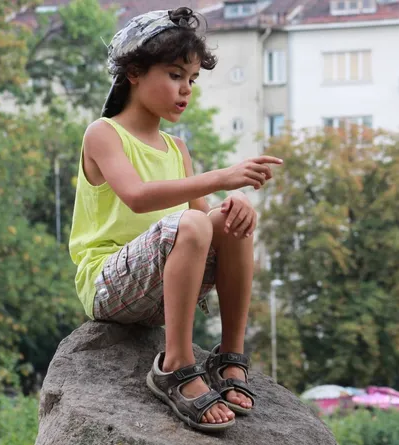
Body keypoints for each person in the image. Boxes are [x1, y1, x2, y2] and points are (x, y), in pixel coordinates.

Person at [68, 7, 282, 433]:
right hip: (107, 285)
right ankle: (176, 365)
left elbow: (205, 225)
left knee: (232, 221)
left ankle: (229, 356)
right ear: (133, 72)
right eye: (174, 75)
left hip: (159, 289)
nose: (185, 90)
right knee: (196, 222)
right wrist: (221, 176)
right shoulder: (103, 133)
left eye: (192, 80)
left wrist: (233, 204)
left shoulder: (176, 149)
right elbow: (136, 197)